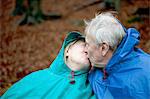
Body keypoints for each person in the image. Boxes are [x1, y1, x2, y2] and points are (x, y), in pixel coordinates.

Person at [1, 32, 96, 99]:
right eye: (85, 44)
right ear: (67, 51)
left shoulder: (93, 86)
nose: (89, 49)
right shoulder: (37, 78)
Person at [84, 12, 150, 99]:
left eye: (88, 44)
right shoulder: (99, 69)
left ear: (104, 48)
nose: (85, 50)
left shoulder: (139, 78)